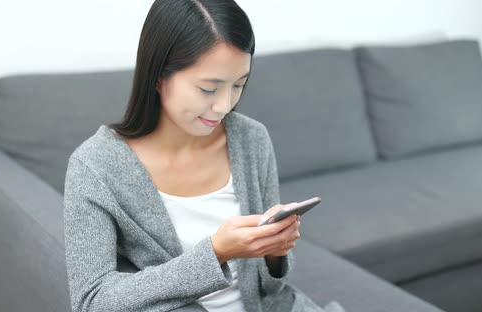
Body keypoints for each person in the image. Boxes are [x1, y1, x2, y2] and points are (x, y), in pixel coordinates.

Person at [63, 0, 345, 311]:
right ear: (158, 77)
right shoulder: (95, 167)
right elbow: (92, 302)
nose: (225, 105)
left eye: (239, 84)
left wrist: (275, 250)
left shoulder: (251, 139)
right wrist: (216, 253)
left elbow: (273, 287)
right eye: (209, 89)